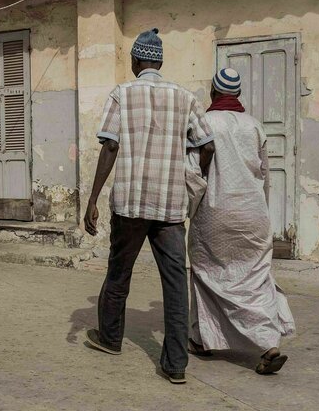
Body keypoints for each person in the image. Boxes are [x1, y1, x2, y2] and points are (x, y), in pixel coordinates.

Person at [83, 28, 215, 384]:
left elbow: (109, 147)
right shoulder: (185, 97)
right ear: (159, 60)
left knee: (118, 274)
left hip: (130, 204)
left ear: (137, 60)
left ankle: (110, 339)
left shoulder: (122, 94)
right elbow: (207, 145)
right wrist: (195, 182)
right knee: (174, 284)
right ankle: (175, 365)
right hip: (171, 207)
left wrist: (93, 199)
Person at [188, 68, 296, 374]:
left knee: (206, 274)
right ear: (236, 95)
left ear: (213, 92)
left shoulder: (204, 123)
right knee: (256, 279)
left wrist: (191, 209)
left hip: (214, 213)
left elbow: (194, 173)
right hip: (252, 214)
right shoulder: (255, 126)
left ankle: (201, 339)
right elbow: (265, 176)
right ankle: (268, 344)